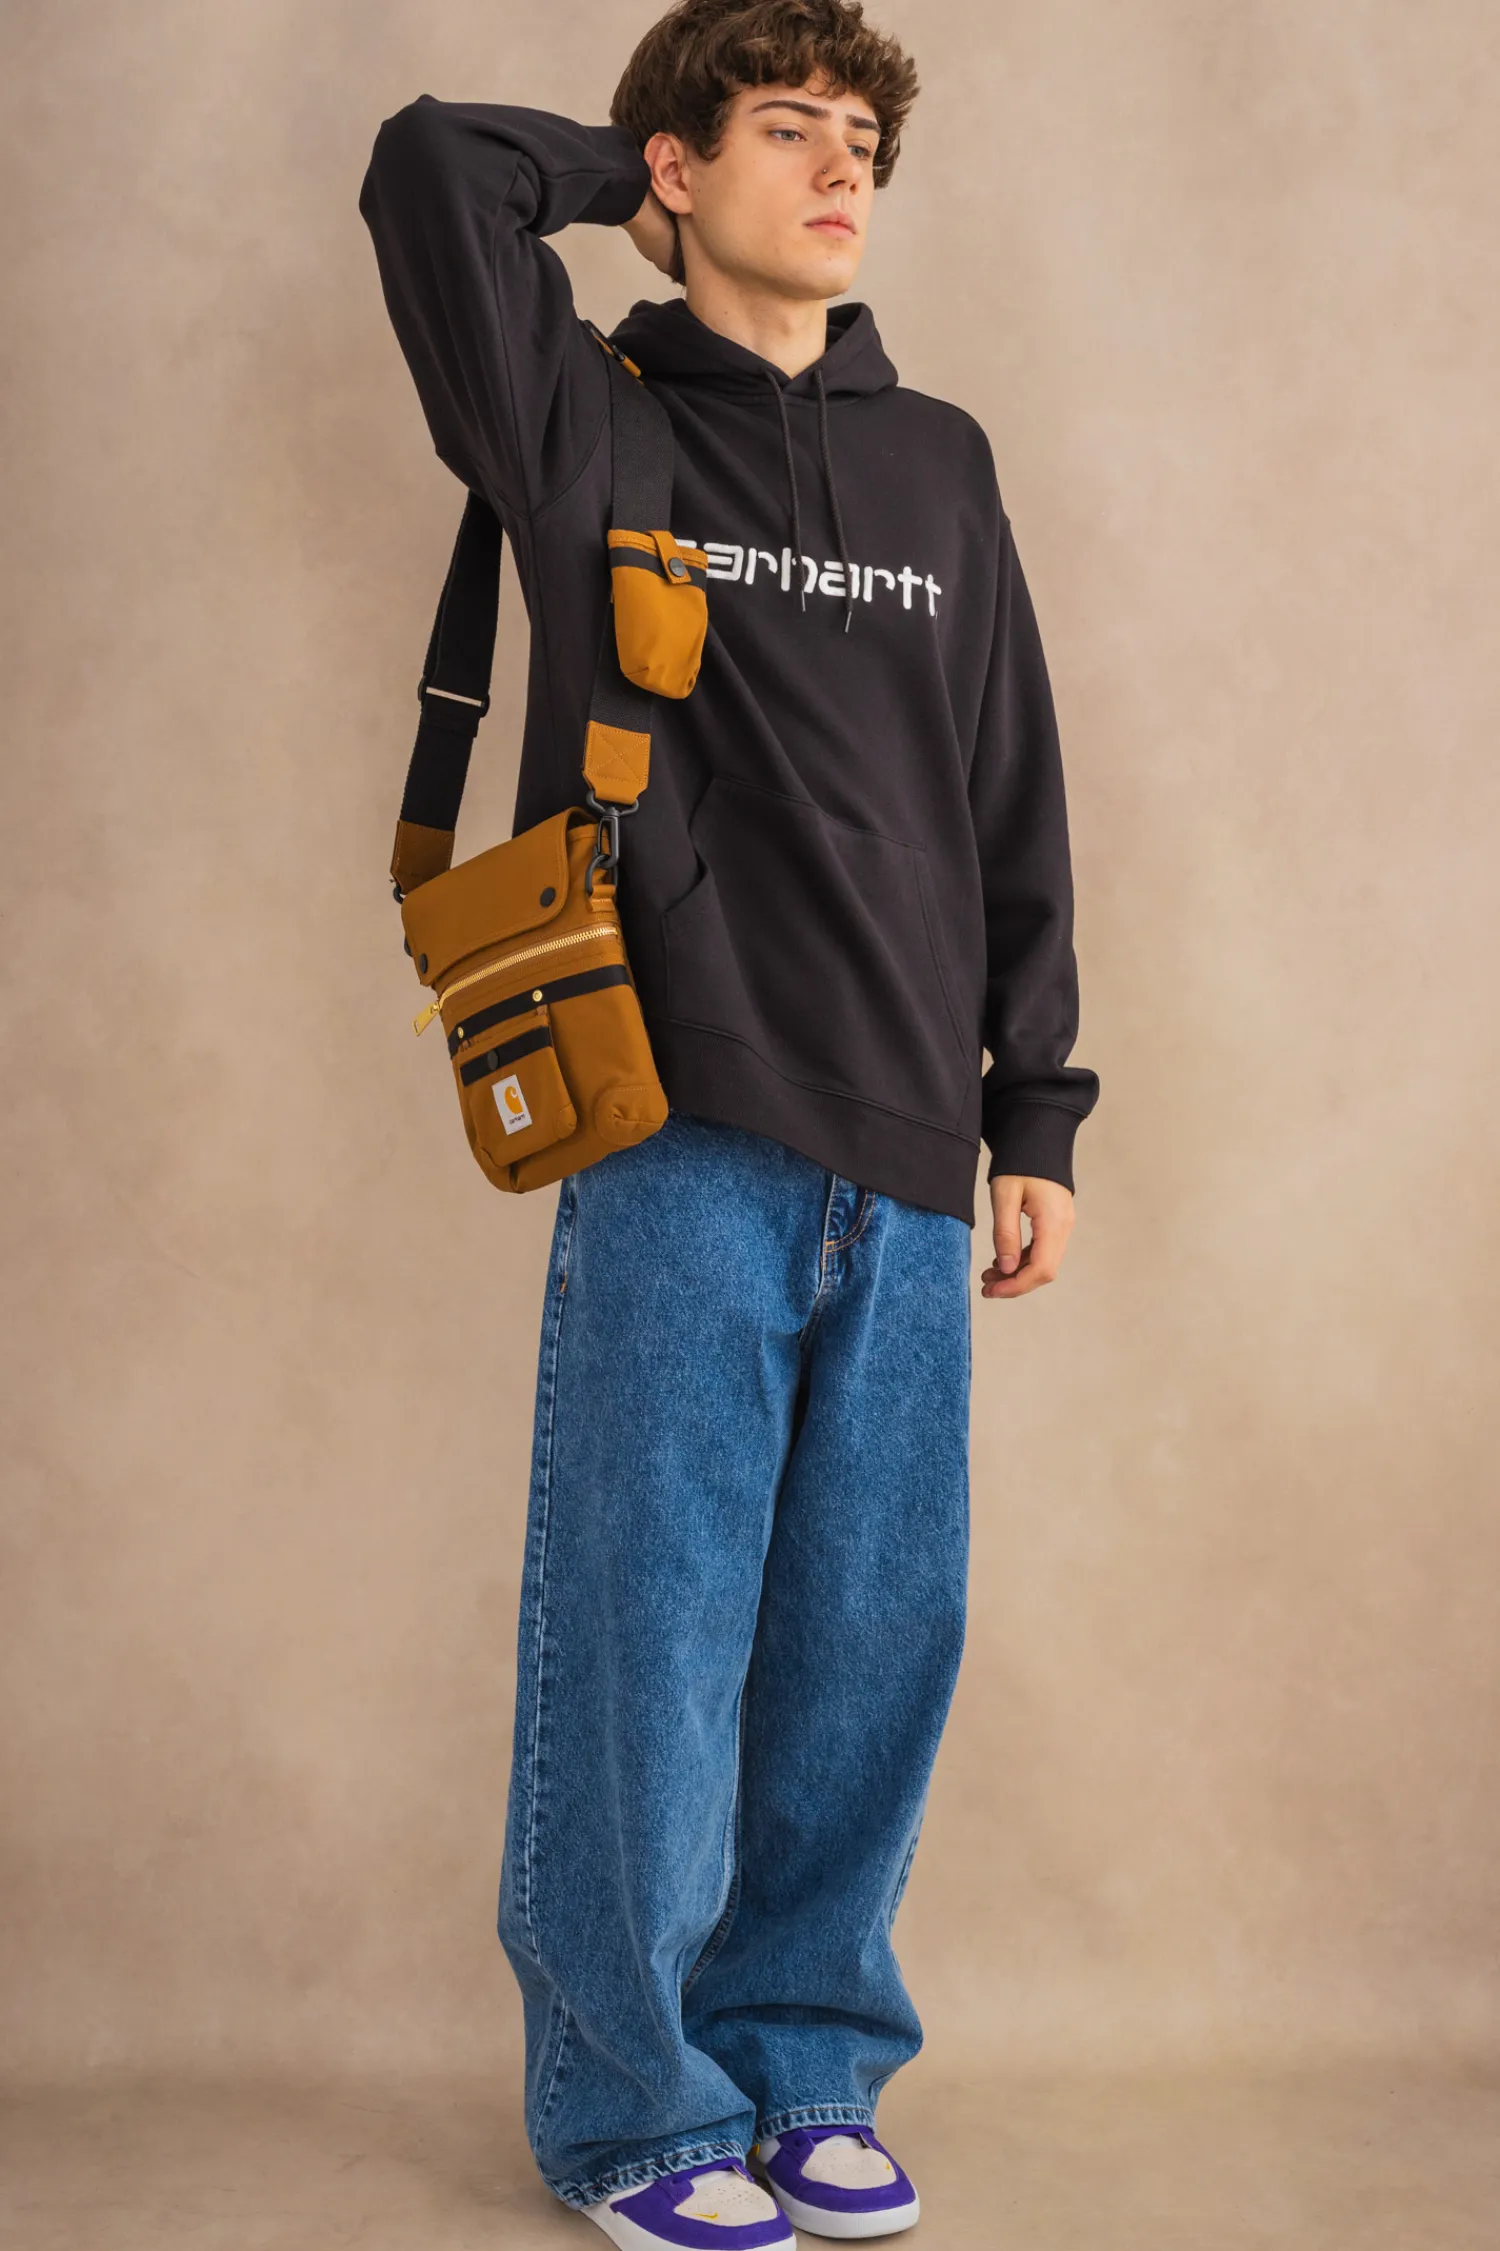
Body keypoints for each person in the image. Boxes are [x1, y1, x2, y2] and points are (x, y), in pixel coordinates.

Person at [360, 1, 1099, 2240]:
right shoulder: (583, 416)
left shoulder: (940, 462)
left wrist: (1036, 1111)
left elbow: (1009, 792)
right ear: (680, 169)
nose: (844, 164)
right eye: (789, 127)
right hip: (677, 1120)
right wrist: (634, 177)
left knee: (873, 1645)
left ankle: (804, 2063)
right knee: (652, 1638)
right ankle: (632, 2111)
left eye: (863, 133)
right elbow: (428, 166)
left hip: (912, 1148)